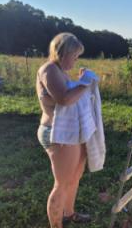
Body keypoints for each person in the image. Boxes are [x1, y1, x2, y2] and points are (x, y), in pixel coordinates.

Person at [36, 32, 91, 228]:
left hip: (69, 132)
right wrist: (84, 83)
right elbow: (64, 99)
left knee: (74, 177)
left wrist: (79, 81)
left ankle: (70, 213)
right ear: (62, 52)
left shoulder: (60, 71)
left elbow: (70, 94)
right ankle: (56, 225)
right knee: (61, 183)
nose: (76, 61)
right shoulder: (49, 70)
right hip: (56, 133)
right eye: (74, 56)